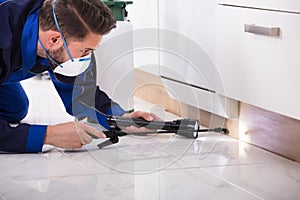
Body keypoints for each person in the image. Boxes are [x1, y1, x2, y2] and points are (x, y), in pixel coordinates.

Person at [0, 0, 156, 153]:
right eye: (84, 51)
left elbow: (79, 92)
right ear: (54, 39)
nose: (87, 57)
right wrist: (47, 135)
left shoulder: (55, 23)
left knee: (15, 109)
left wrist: (119, 118)